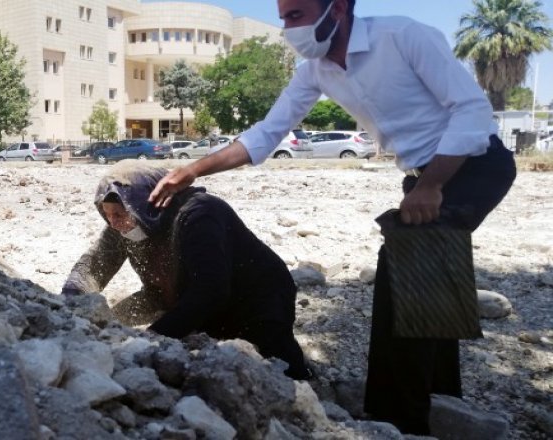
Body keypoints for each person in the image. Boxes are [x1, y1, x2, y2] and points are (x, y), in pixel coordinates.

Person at [148, 0, 516, 435]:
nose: (287, 28)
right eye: (283, 18)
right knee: (429, 278)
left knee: (403, 281)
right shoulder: (315, 69)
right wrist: (191, 169)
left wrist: (432, 186)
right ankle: (442, 402)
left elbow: (472, 110)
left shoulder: (403, 36)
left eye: (297, 16)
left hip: (472, 164)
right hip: (422, 177)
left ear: (338, 8)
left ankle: (398, 419)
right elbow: (267, 133)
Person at [62, 161, 312, 380]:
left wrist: (151, 338)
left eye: (118, 213)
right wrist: (67, 306)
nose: (114, 223)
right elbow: (93, 265)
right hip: (180, 296)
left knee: (277, 360)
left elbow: (210, 291)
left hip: (257, 296)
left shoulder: (200, 214)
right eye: (107, 216)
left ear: (149, 202)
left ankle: (306, 385)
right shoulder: (126, 225)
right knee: (112, 322)